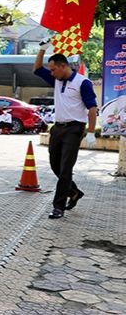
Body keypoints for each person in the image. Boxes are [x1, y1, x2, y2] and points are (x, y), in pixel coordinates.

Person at [33, 44, 97, 219]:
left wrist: (91, 132)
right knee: (55, 165)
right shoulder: (57, 79)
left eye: (53, 69)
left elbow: (92, 109)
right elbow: (37, 69)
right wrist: (42, 49)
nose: (51, 73)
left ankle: (58, 207)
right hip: (58, 128)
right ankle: (74, 192)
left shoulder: (83, 83)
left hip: (74, 129)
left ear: (63, 66)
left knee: (65, 169)